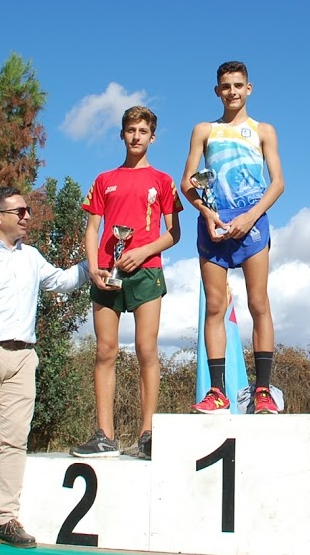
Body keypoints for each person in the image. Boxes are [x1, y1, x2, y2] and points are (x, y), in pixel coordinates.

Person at [71, 106, 183, 459]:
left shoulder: (162, 181)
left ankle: (148, 434)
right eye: (131, 130)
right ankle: (104, 435)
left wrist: (143, 251)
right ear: (122, 134)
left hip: (147, 271)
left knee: (146, 349)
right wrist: (94, 267)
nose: (136, 136)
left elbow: (174, 233)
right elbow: (92, 228)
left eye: (142, 131)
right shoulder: (104, 179)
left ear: (153, 137)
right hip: (107, 272)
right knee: (105, 350)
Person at [180, 61, 284, 414]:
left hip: (252, 223)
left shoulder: (263, 130)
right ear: (217, 91)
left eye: (238, 85)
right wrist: (206, 213)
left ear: (249, 88)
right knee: (214, 306)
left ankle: (263, 391)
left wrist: (250, 216)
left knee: (259, 303)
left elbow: (278, 183)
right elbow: (187, 182)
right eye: (226, 86)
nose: (232, 92)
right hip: (213, 226)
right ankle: (217, 391)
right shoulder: (204, 130)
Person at [0, 186, 89, 547]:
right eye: (19, 211)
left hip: (23, 358)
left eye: (27, 211)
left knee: (13, 441)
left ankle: (5, 518)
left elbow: (62, 281)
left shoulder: (33, 257)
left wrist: (96, 260)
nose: (26, 217)